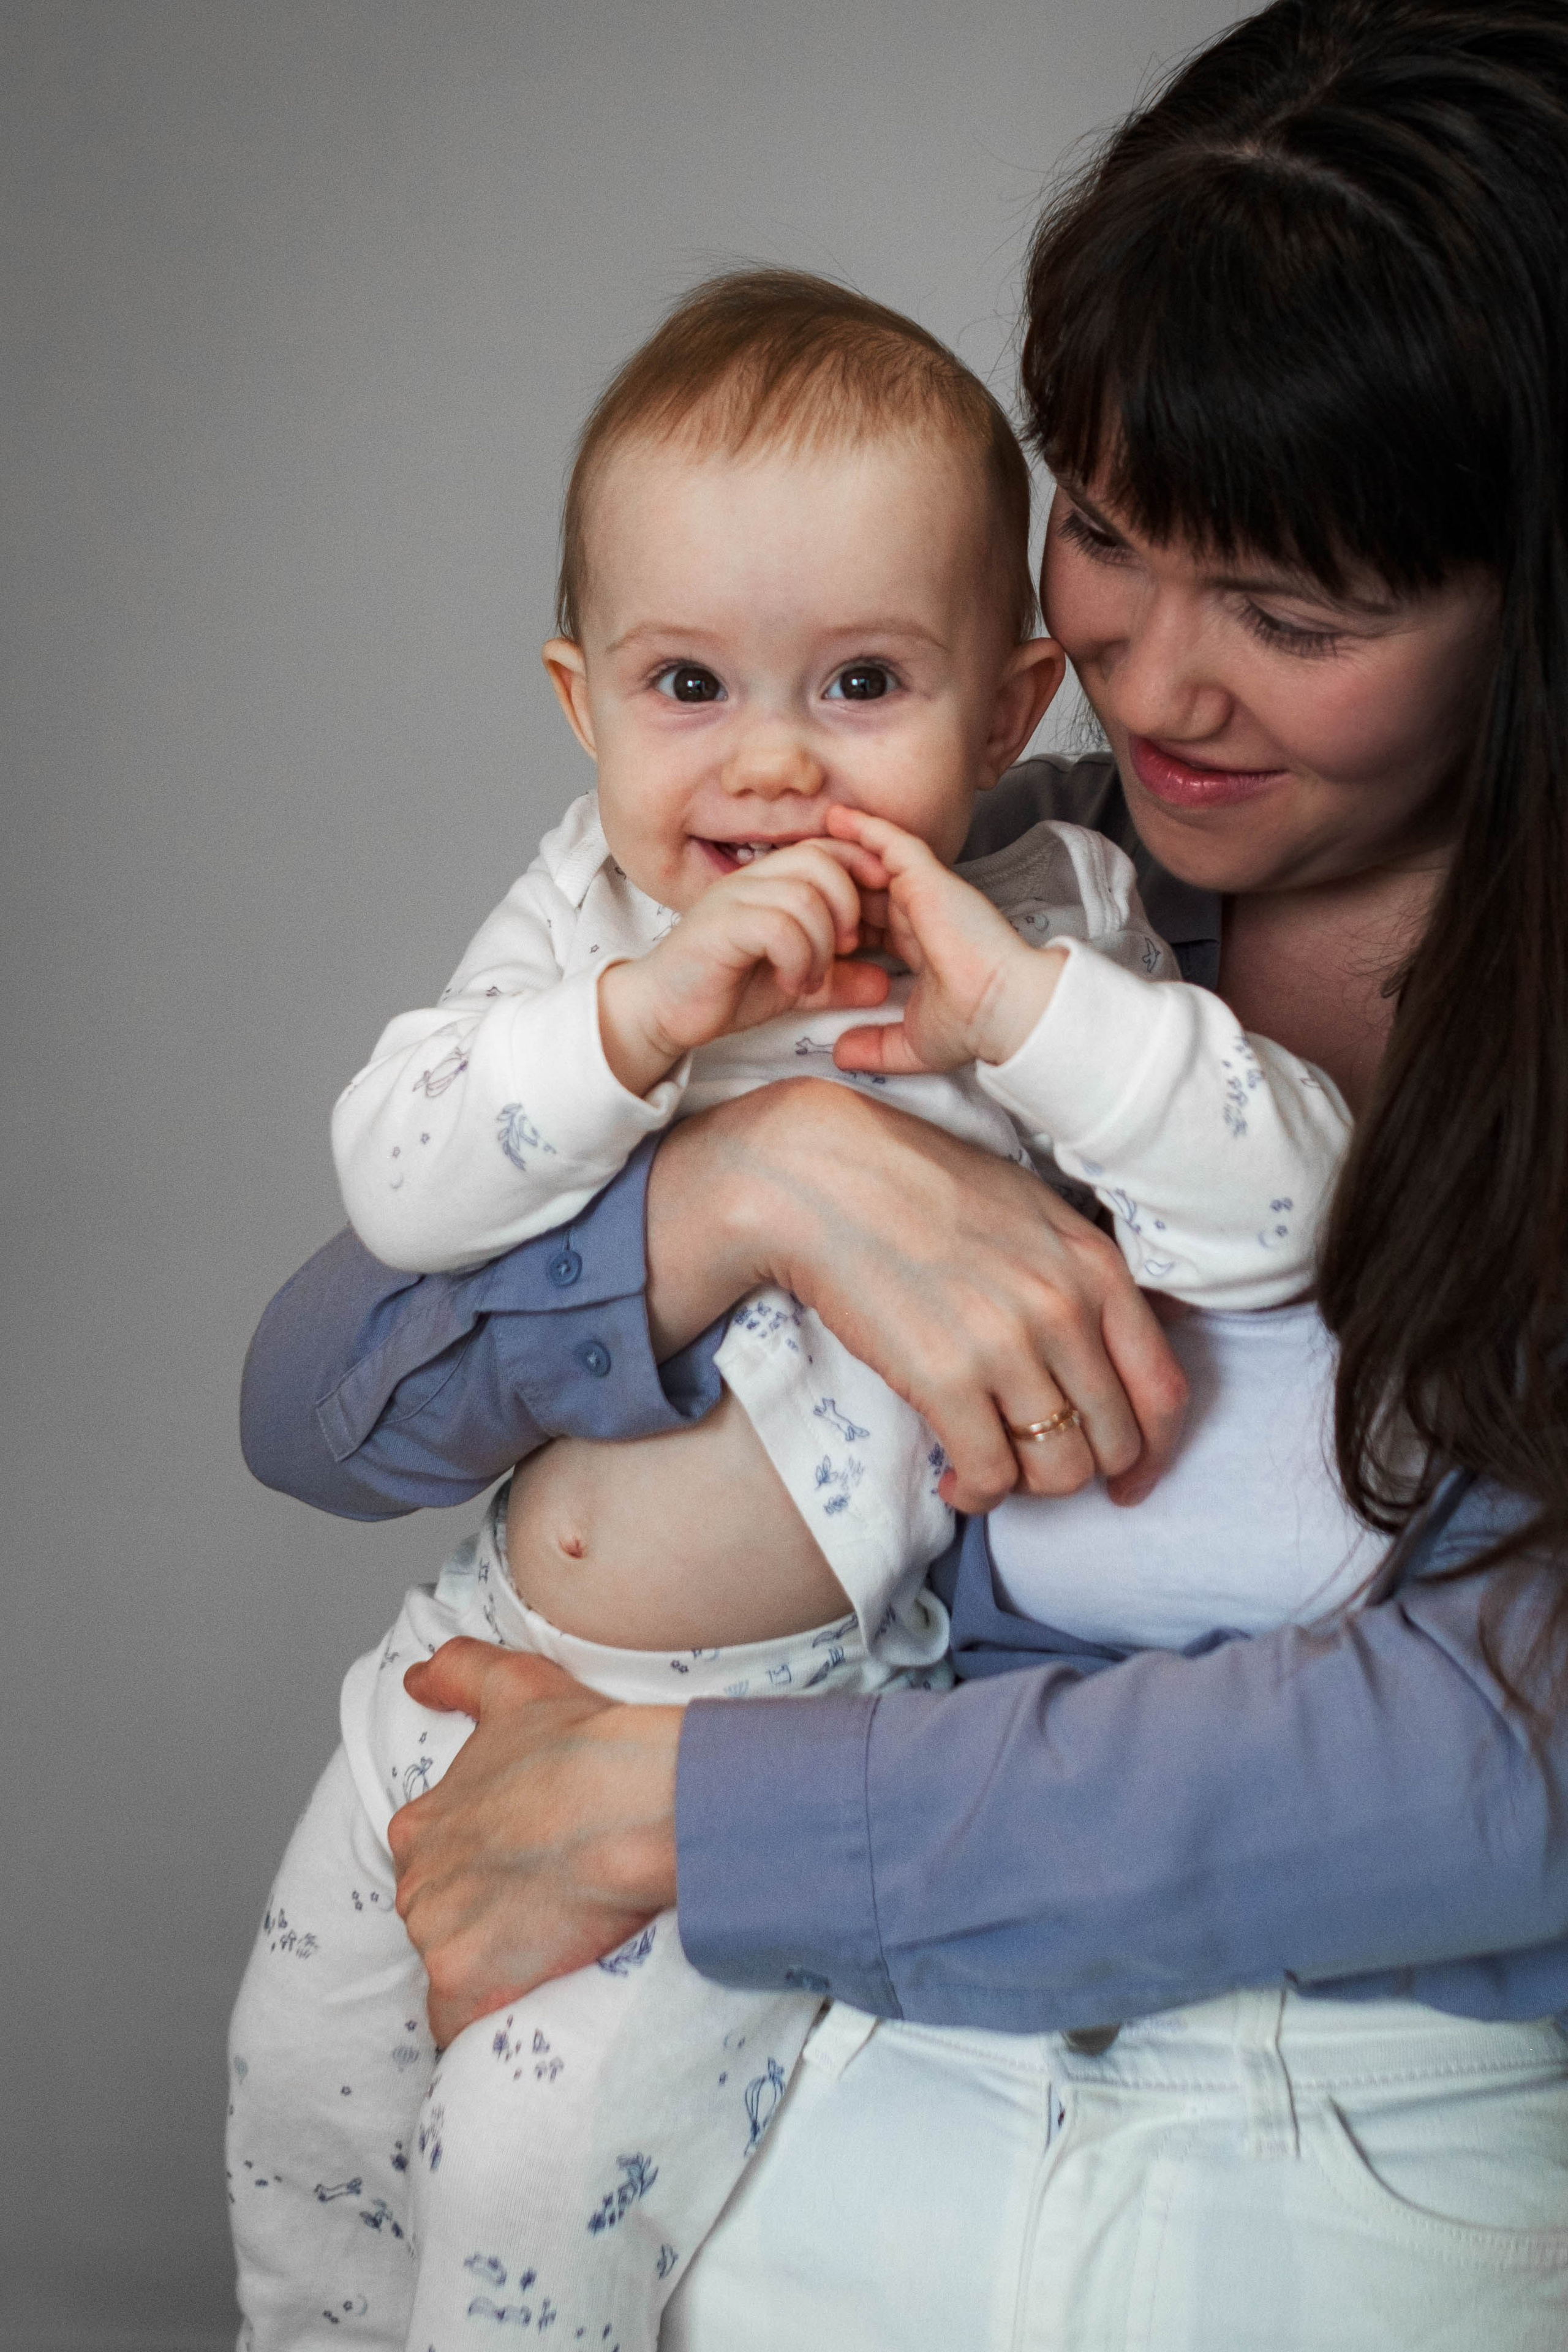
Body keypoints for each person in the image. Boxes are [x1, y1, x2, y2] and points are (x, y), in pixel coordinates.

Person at [237, 2, 1568, 2343]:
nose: (1158, 685)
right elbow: (318, 1390)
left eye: (1301, 617)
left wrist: (693, 1805)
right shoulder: (1019, 878)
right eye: (1122, 543)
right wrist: (768, 1183)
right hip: (874, 2072)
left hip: (1359, 2156)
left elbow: (1498, 1766)